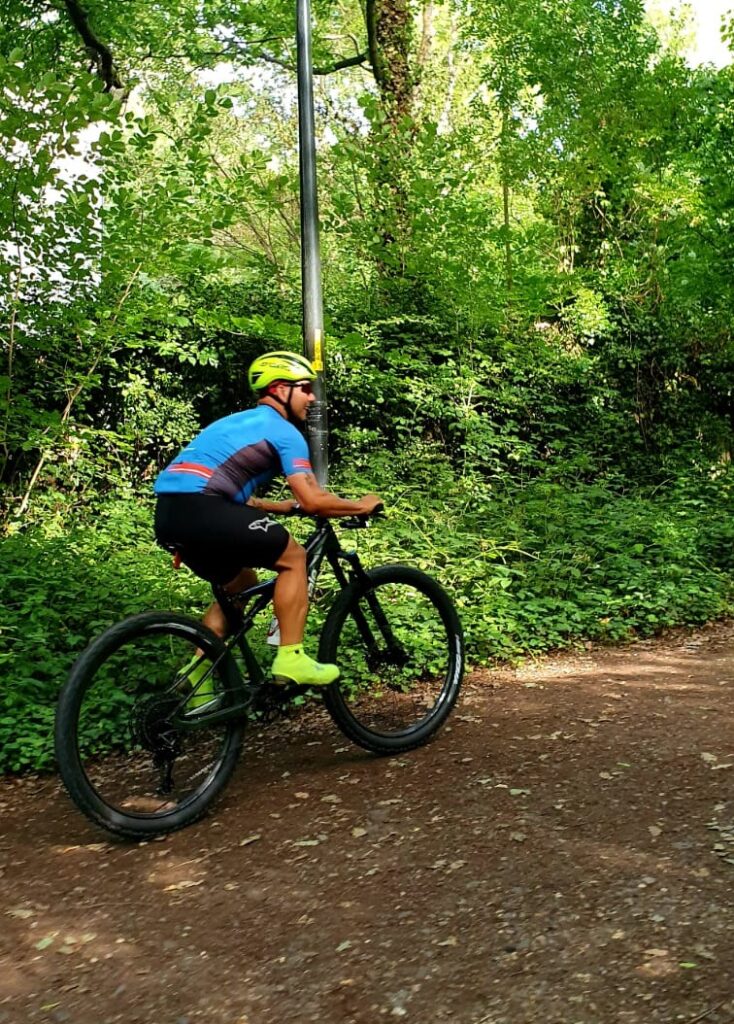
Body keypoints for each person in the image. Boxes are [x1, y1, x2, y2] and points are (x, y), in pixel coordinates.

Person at [153, 350, 382, 712]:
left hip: (171, 515)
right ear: (279, 389)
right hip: (206, 509)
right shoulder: (283, 432)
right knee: (293, 559)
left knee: (241, 583)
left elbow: (251, 499)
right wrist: (360, 505)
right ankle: (291, 658)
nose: (312, 397)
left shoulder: (237, 423)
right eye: (305, 388)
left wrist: (279, 507)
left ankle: (197, 673)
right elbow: (311, 500)